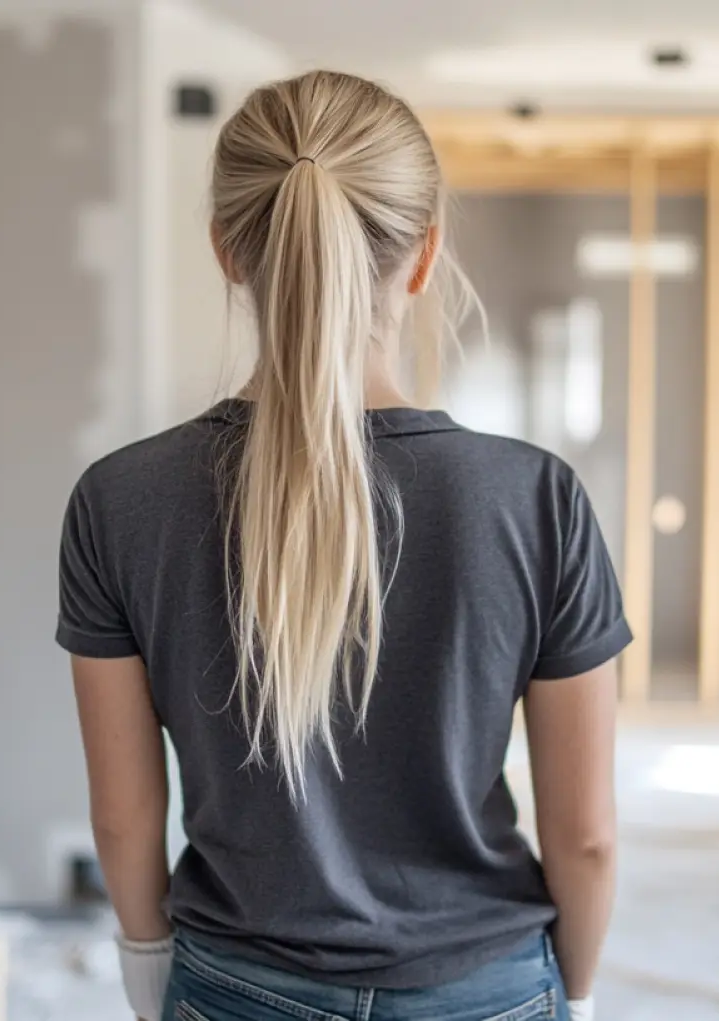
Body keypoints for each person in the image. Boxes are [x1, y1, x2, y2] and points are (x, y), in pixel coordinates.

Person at [57, 69, 627, 1021]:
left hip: (237, 984)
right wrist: (572, 996)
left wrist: (148, 975)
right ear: (425, 253)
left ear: (227, 252)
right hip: (479, 986)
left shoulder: (121, 499)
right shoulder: (536, 499)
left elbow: (124, 814)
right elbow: (589, 837)